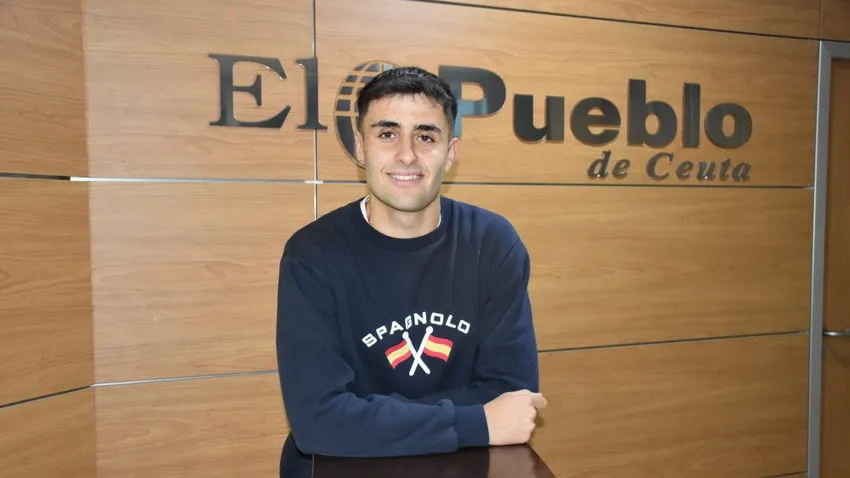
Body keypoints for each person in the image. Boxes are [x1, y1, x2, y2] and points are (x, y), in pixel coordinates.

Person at [275, 66, 545, 477]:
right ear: (360, 147)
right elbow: (318, 423)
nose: (406, 154)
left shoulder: (492, 243)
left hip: (464, 466)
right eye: (387, 134)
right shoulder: (313, 254)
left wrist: (364, 417)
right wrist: (476, 421)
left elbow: (513, 397)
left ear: (450, 152)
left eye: (425, 136)